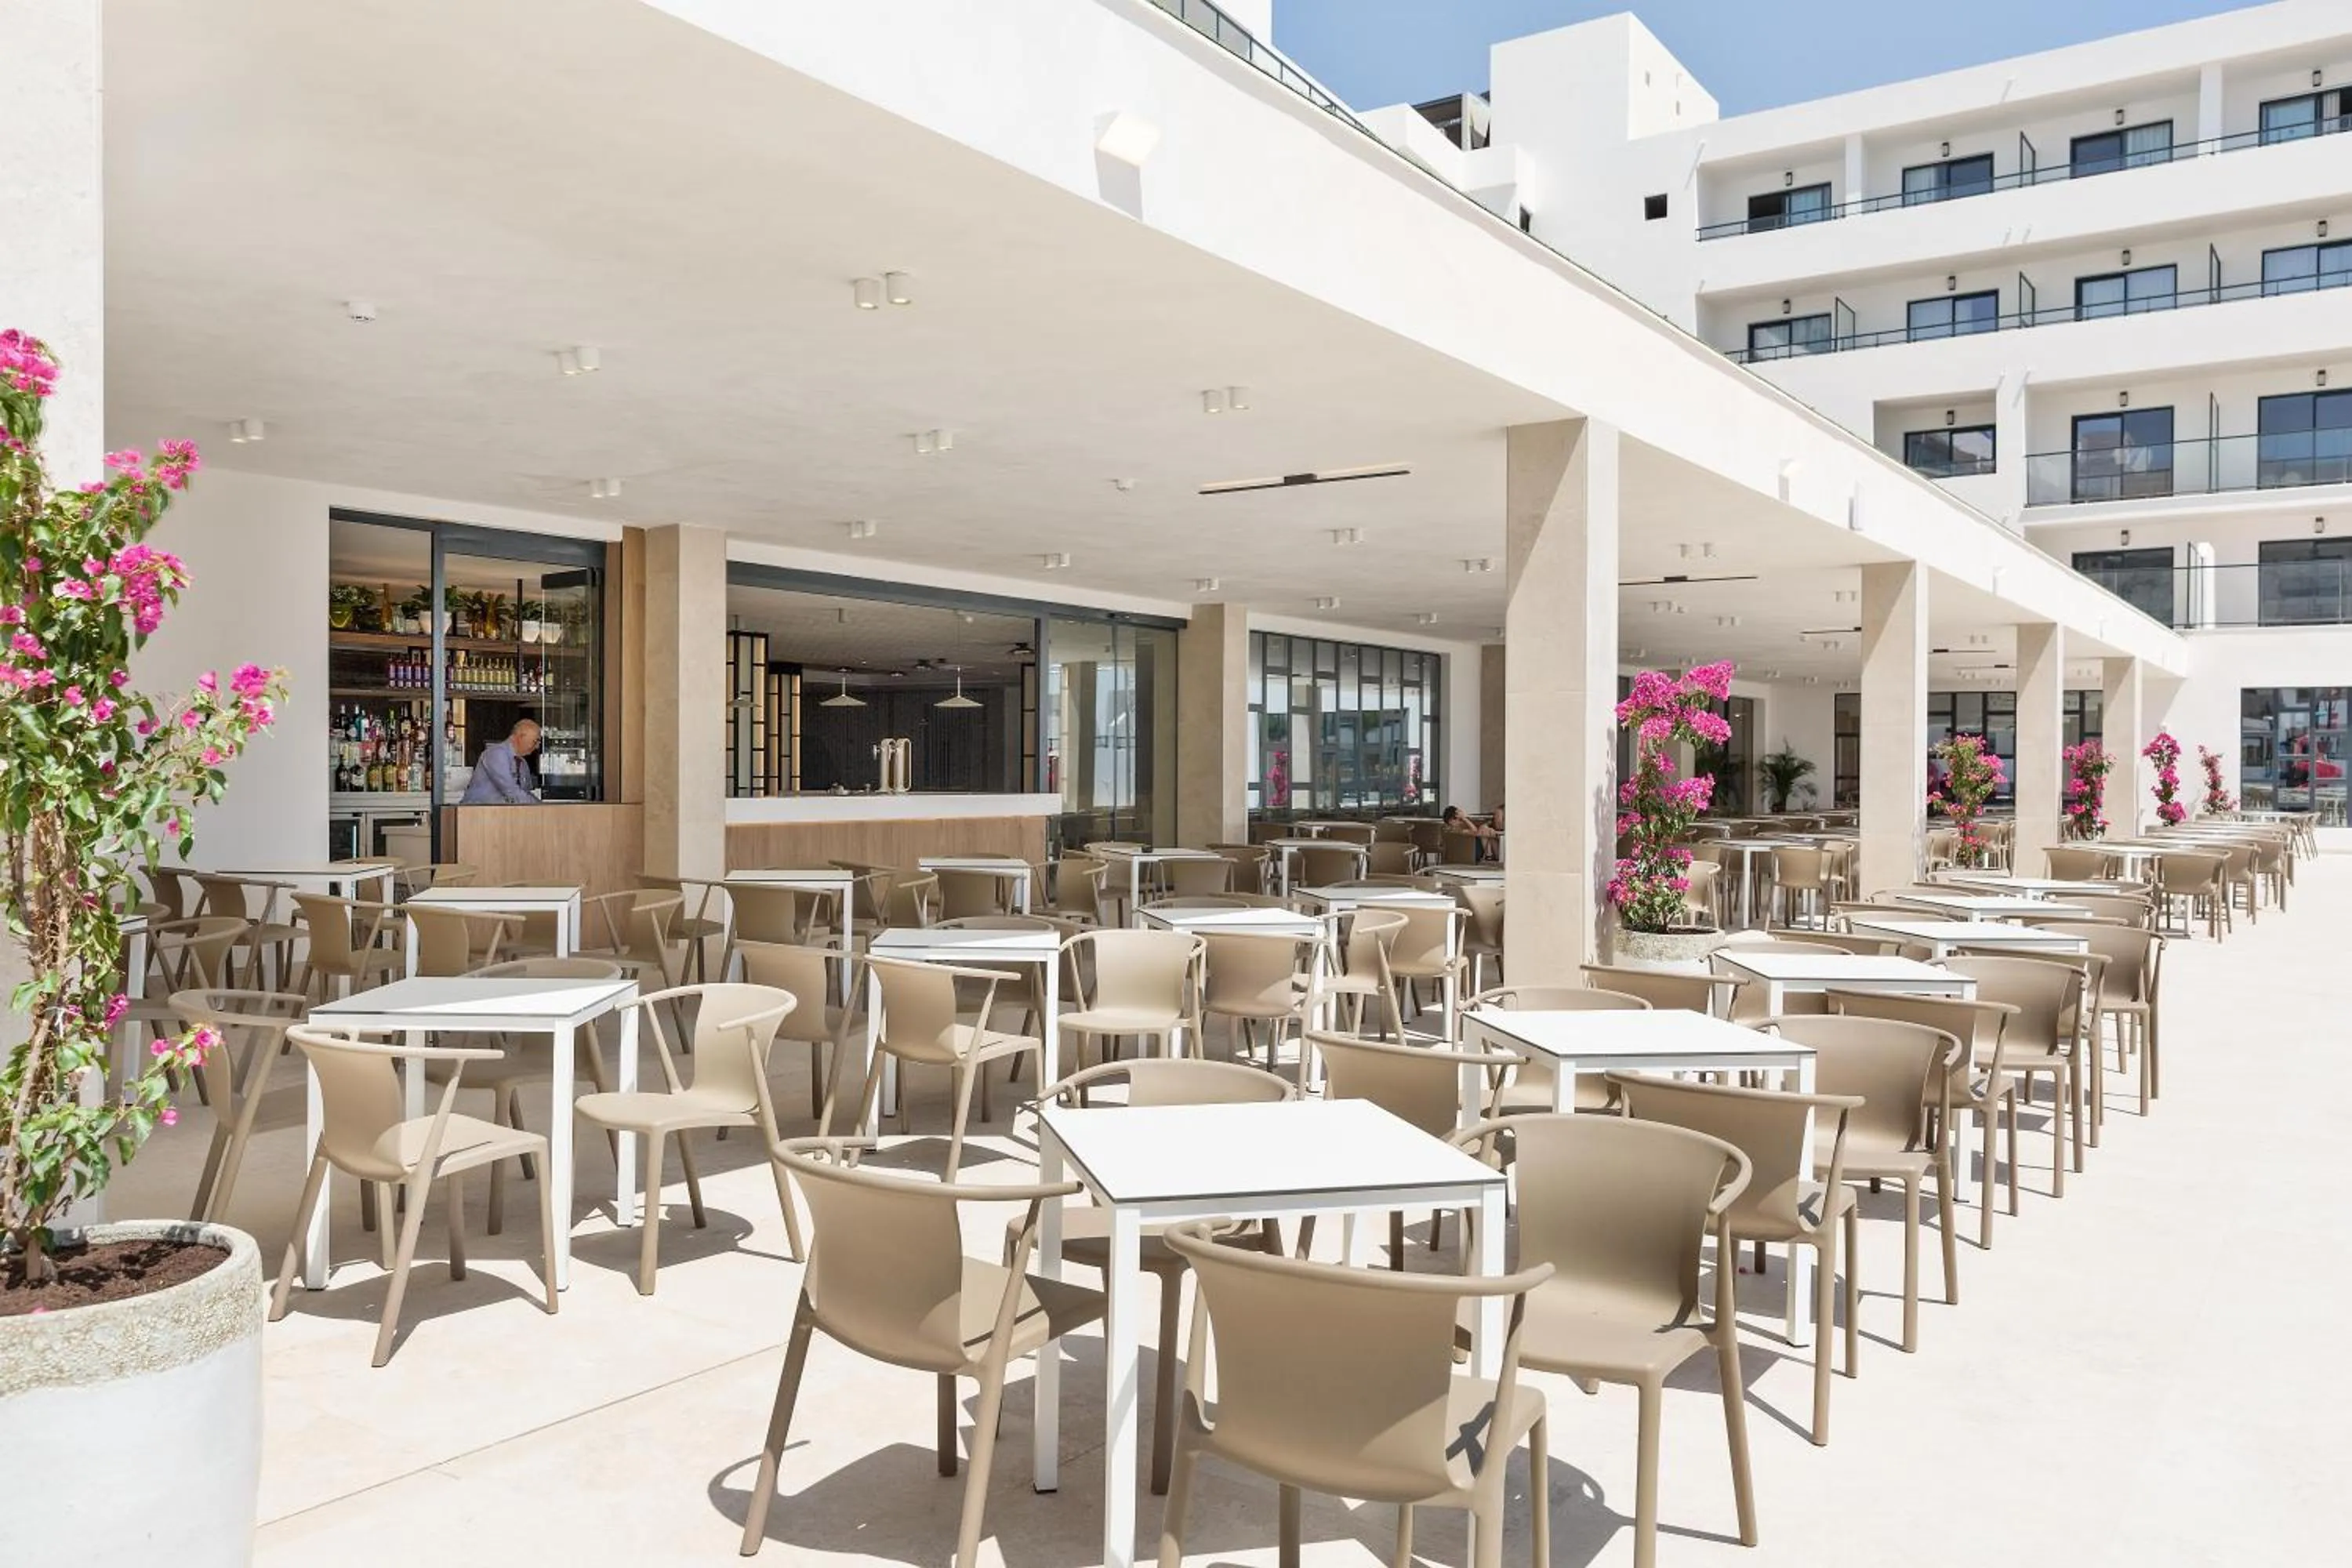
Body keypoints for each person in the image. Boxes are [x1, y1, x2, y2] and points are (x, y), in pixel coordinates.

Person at [460, 718, 541, 804]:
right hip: (477, 810)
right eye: (535, 741)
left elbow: (525, 793)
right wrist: (540, 807)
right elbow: (511, 790)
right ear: (520, 737)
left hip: (502, 811)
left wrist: (541, 806)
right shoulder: (497, 754)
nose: (537, 747)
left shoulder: (522, 763)